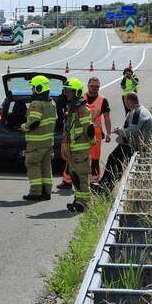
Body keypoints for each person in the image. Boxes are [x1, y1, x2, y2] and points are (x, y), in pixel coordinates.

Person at [98, 92, 152, 190]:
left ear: (128, 100)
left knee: (113, 160)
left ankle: (105, 188)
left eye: (125, 101)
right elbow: (135, 127)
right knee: (116, 162)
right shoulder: (140, 110)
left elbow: (134, 130)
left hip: (133, 145)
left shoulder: (136, 113)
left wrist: (119, 131)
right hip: (136, 144)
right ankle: (105, 185)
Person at [62, 78, 95, 213]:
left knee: (81, 176)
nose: (67, 93)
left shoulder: (82, 109)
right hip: (73, 149)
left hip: (80, 149)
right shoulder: (72, 108)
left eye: (69, 90)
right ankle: (78, 200)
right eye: (66, 90)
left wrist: (85, 143)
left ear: (76, 92)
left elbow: (89, 130)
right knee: (74, 175)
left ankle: (85, 202)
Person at [20, 76, 56, 201]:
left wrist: (24, 126)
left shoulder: (36, 104)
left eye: (34, 87)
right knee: (46, 167)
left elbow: (34, 123)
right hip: (48, 142)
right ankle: (47, 192)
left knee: (33, 164)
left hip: (36, 142)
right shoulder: (52, 103)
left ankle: (35, 192)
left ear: (39, 88)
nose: (32, 90)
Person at [85, 77, 112, 185]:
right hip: (81, 133)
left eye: (97, 86)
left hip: (96, 134)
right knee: (81, 157)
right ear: (88, 85)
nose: (94, 88)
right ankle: (80, 180)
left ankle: (94, 181)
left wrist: (109, 133)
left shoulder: (102, 100)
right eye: (92, 86)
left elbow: (106, 118)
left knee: (95, 159)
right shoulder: (81, 97)